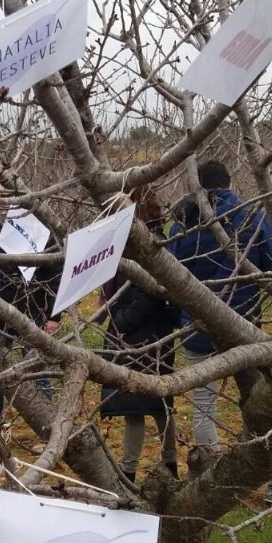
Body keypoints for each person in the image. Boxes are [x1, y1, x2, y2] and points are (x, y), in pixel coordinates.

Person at [168, 160, 272, 505]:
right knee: (264, 406)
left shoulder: (182, 220)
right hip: (244, 329)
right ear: (229, 183)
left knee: (203, 406)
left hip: (198, 327)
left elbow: (170, 272)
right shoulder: (251, 214)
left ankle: (213, 480)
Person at [99, 189, 178, 484]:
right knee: (141, 406)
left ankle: (156, 467)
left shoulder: (146, 245)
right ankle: (135, 469)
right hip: (143, 337)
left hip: (145, 338)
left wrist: (118, 323)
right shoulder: (133, 241)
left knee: (154, 406)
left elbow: (148, 294)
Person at [0, 211, 60, 424]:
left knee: (37, 368)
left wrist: (54, 315)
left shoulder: (41, 234)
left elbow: (55, 277)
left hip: (33, 311)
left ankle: (47, 423)